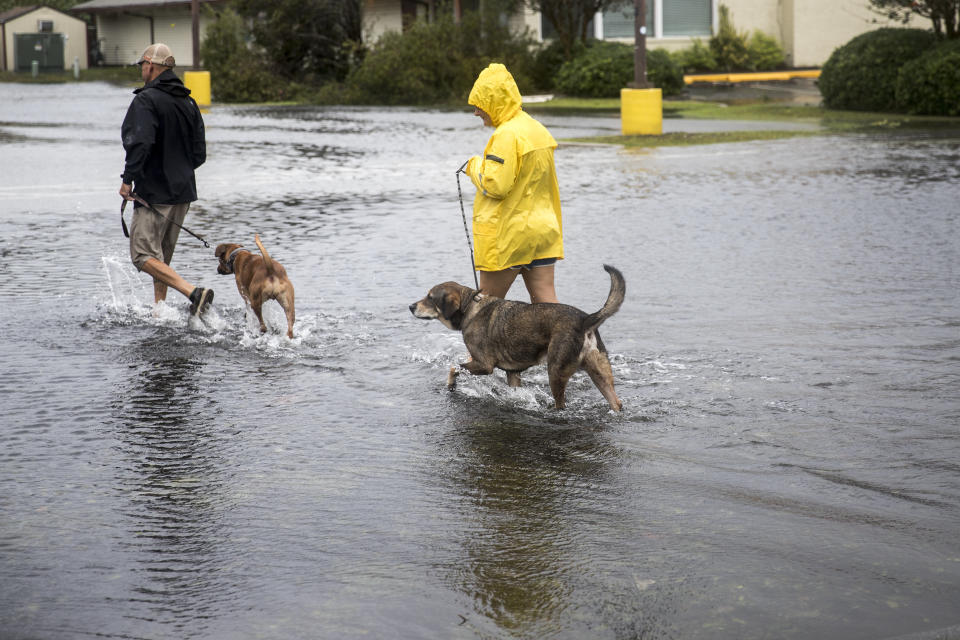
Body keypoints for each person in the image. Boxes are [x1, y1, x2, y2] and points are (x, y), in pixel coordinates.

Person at [119, 43, 213, 316]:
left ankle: (193, 293)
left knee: (142, 255)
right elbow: (199, 153)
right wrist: (179, 171)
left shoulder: (146, 100)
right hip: (183, 192)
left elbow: (140, 143)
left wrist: (128, 179)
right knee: (160, 258)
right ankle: (160, 311)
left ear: (151, 65)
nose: (142, 71)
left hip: (154, 193)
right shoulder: (188, 101)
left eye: (142, 66)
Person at [463, 62, 563, 304]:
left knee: (484, 309)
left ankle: (489, 345)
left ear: (494, 102)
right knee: (547, 307)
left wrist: (472, 165)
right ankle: (568, 342)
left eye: (479, 106)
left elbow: (495, 185)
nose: (476, 112)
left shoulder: (506, 135)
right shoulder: (536, 128)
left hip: (509, 236)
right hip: (540, 232)